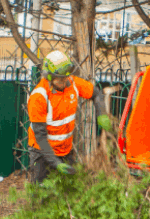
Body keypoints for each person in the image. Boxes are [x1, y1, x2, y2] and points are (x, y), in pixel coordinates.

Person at [27, 50, 109, 183]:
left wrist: (102, 115)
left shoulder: (72, 83)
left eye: (66, 77)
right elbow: (40, 137)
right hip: (42, 152)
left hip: (66, 150)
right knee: (41, 194)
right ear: (49, 76)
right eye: (60, 78)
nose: (64, 81)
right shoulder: (39, 97)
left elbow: (96, 93)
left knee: (68, 191)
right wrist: (55, 162)